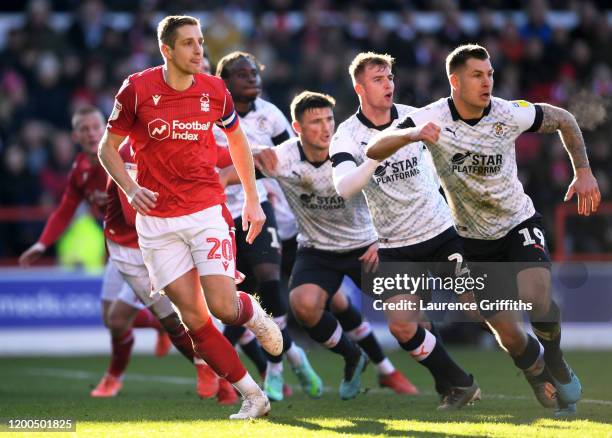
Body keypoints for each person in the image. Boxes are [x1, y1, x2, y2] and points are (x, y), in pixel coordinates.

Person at [366, 44, 601, 416]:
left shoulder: (508, 113)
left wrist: (583, 171)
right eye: (478, 75)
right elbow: (375, 148)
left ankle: (555, 361)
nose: (487, 81)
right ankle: (537, 374)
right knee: (507, 332)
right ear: (454, 81)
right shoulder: (432, 118)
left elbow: (564, 119)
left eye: (490, 74)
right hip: (473, 241)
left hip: (517, 222)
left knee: (535, 295)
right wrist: (411, 136)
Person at [97, 15, 282, 420]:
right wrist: (130, 188)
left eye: (200, 42)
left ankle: (254, 315)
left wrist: (251, 201)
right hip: (157, 224)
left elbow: (237, 141)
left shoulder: (215, 90)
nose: (199, 50)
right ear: (166, 50)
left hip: (205, 211)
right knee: (194, 320)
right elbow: (106, 149)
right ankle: (253, 396)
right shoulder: (137, 89)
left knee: (222, 307)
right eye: (188, 44)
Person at [222, 91, 419, 400]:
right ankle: (338, 359)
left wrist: (383, 240)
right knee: (299, 303)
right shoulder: (282, 156)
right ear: (298, 128)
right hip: (312, 246)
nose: (326, 127)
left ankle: (444, 378)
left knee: (409, 313)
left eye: (329, 119)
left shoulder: (351, 150)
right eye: (316, 121)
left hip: (363, 244)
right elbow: (228, 174)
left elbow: (394, 196)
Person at [330, 52, 479, 410]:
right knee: (403, 327)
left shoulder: (417, 115)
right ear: (359, 88)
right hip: (396, 246)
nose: (388, 85)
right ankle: (459, 384)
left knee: (478, 309)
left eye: (390, 77)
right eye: (378, 79)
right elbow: (345, 187)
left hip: (442, 232)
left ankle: (542, 366)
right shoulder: (347, 135)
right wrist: (378, 152)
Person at [18, 105, 170, 387]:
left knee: (117, 319)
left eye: (95, 127)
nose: (91, 134)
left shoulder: (123, 156)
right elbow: (65, 209)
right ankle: (159, 325)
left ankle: (117, 376)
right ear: (75, 136)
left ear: (106, 128)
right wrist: (42, 243)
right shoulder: (81, 169)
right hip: (117, 249)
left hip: (144, 249)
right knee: (109, 320)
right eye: (84, 129)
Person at [94, 140, 239, 405]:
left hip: (167, 235)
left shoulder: (185, 137)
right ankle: (211, 371)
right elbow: (132, 216)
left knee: (201, 310)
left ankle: (227, 378)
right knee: (172, 320)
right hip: (130, 248)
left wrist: (257, 160)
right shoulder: (129, 152)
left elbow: (234, 157)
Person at [214, 51, 316, 402]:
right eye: (242, 74)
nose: (252, 79)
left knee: (271, 284)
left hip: (260, 209)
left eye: (255, 73)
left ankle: (273, 368)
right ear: (225, 81)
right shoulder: (209, 116)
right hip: (220, 216)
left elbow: (291, 156)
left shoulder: (270, 115)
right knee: (232, 303)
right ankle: (293, 355)